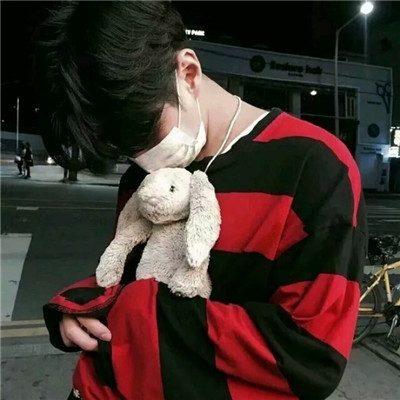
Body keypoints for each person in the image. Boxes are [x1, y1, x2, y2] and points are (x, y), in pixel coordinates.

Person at [36, 2, 367, 399]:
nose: (140, 156)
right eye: (124, 148)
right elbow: (126, 275)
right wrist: (76, 309)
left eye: (144, 131)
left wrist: (138, 310)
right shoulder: (141, 178)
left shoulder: (313, 166)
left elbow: (311, 356)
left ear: (188, 73)